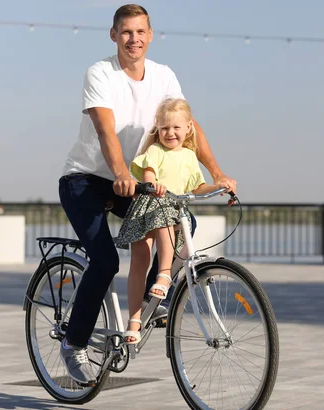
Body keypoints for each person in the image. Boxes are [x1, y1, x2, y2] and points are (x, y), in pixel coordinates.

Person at [58, 4, 237, 384]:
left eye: (140, 32)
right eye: (126, 32)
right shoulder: (100, 73)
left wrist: (217, 173)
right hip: (87, 179)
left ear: (151, 35)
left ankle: (151, 301)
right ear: (114, 35)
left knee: (181, 220)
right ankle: (73, 343)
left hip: (137, 180)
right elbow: (106, 130)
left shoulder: (163, 76)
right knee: (105, 261)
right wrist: (120, 174)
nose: (133, 39)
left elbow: (188, 125)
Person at [115, 98, 231, 344]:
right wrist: (152, 182)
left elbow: (197, 186)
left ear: (188, 128)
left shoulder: (189, 156)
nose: (170, 133)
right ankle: (135, 319)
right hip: (147, 208)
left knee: (184, 239)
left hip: (173, 210)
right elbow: (148, 172)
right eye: (165, 128)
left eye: (176, 128)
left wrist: (216, 187)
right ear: (158, 129)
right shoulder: (155, 151)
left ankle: (165, 277)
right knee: (139, 262)